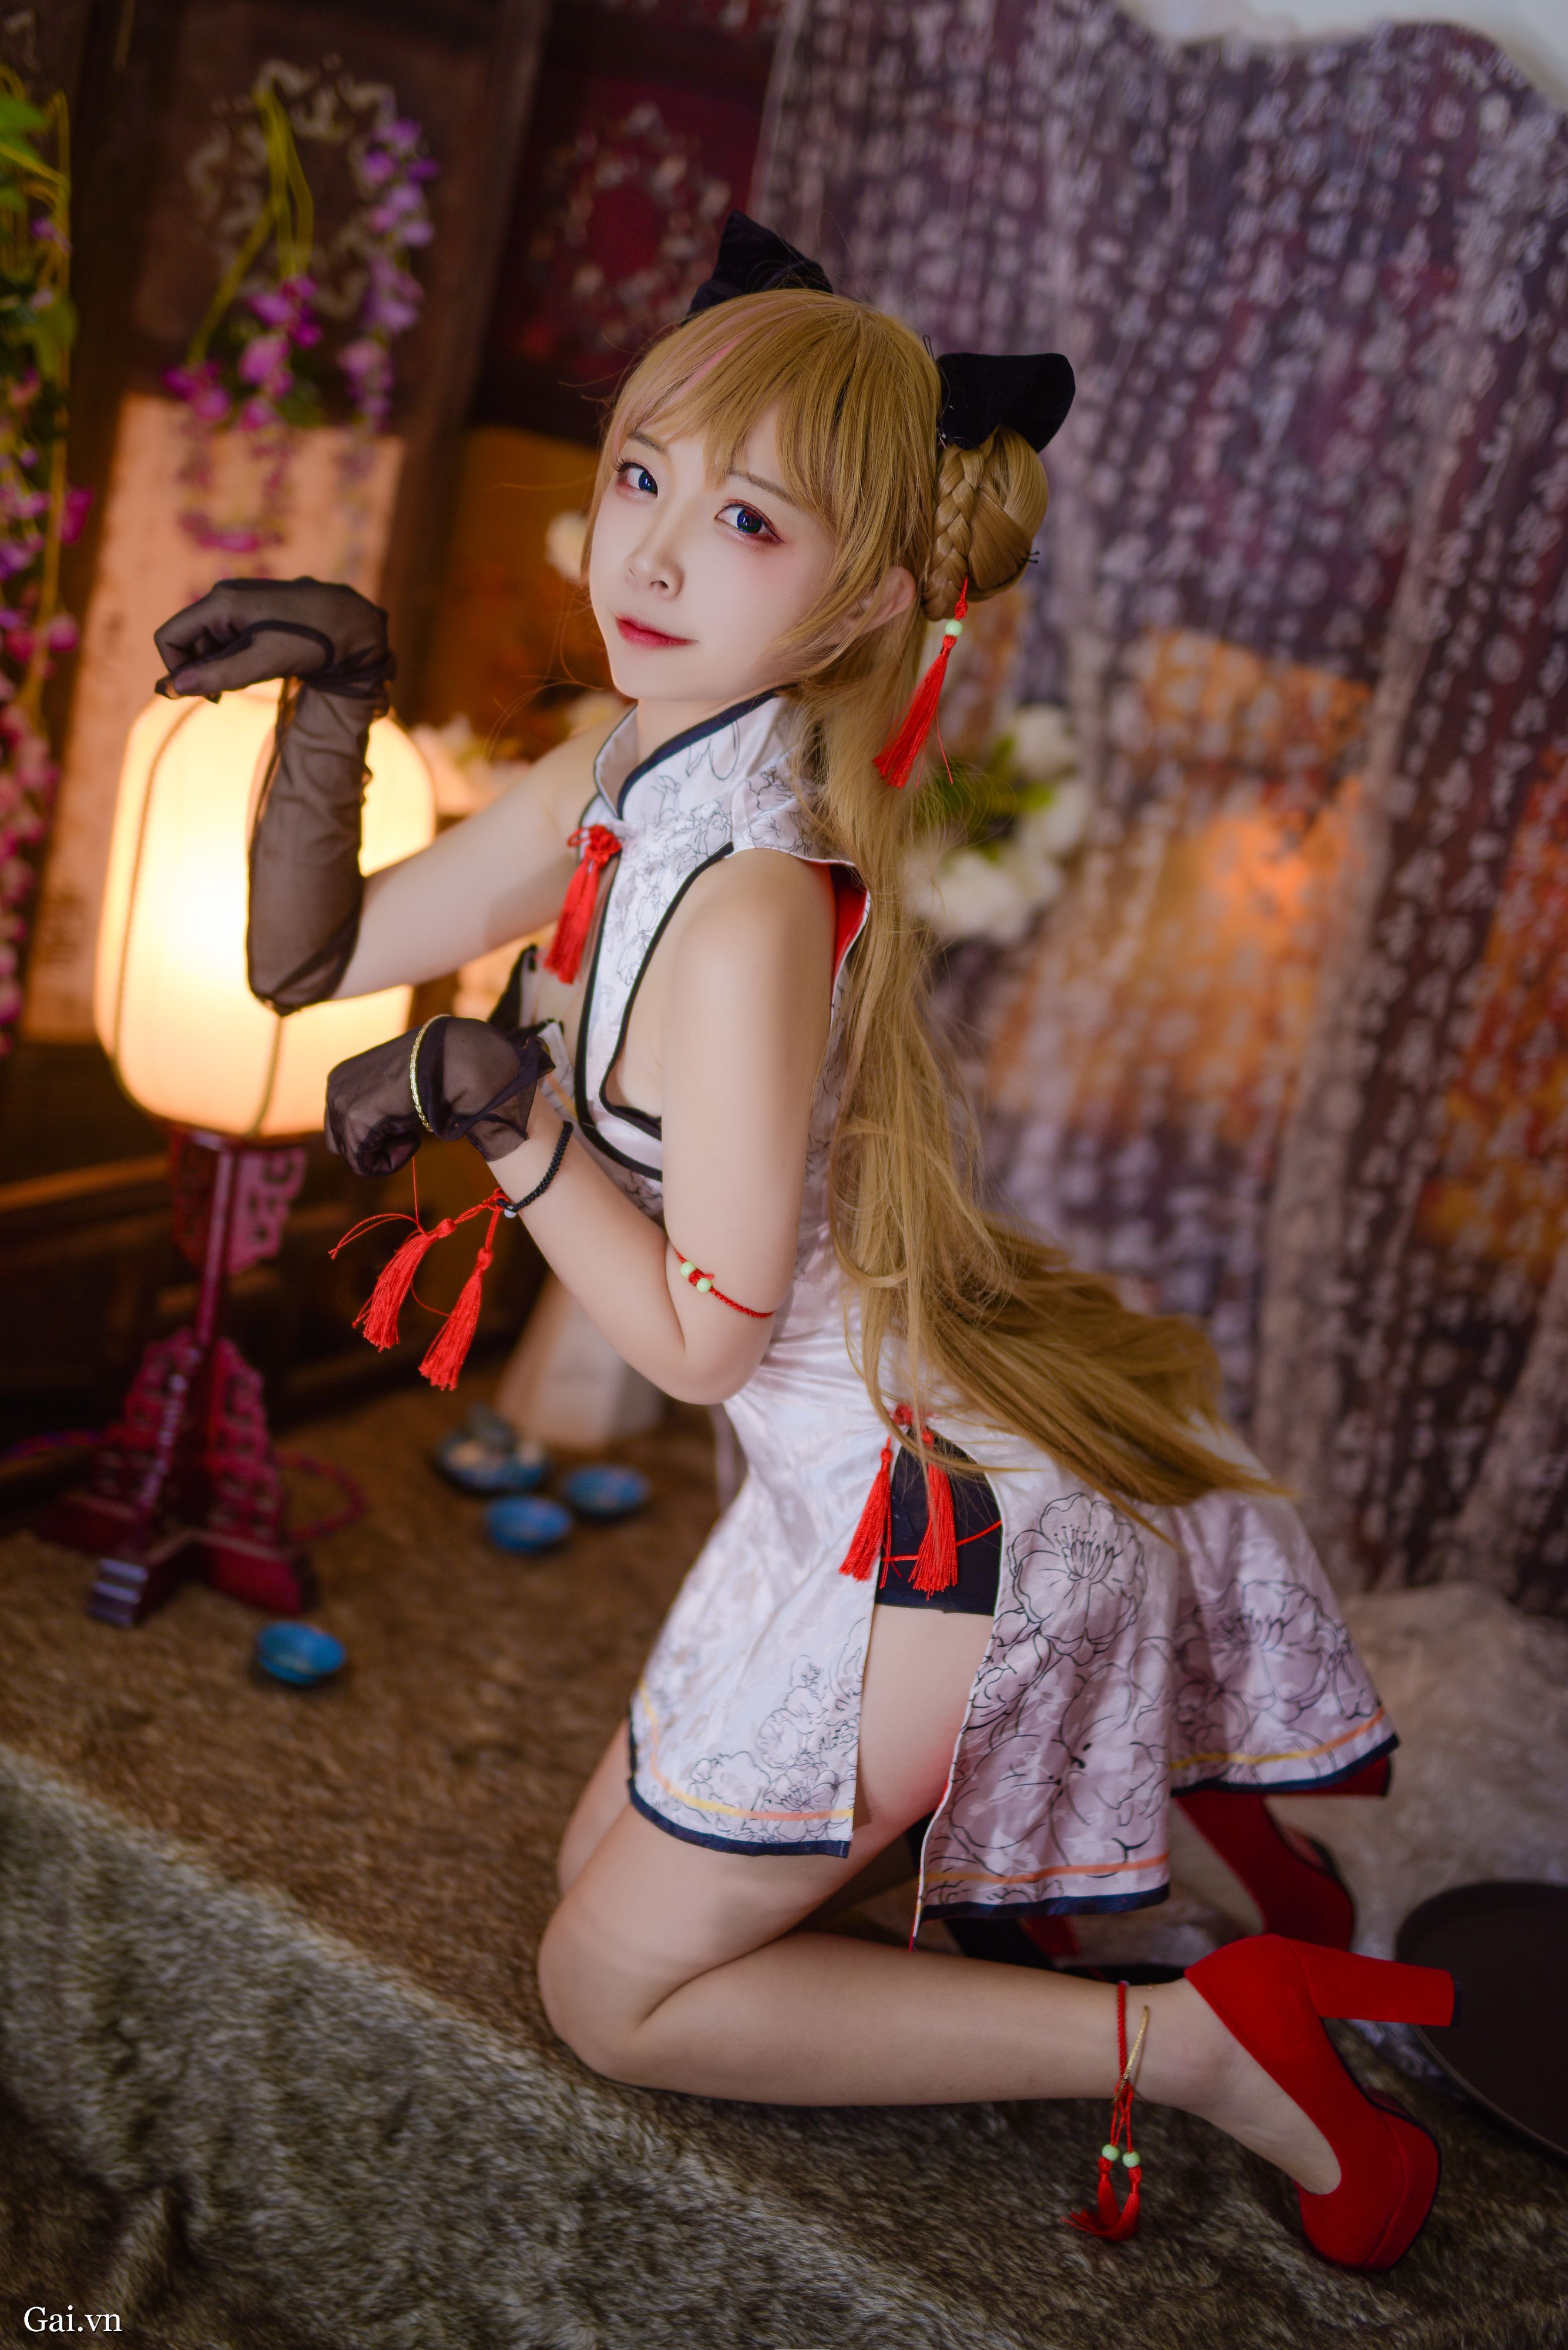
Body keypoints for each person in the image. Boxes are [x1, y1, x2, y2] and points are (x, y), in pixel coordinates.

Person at [152, 215, 1453, 2273]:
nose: (652, 555)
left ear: (864, 596)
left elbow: (692, 1339)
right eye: (642, 474)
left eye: (744, 520)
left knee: (610, 1990)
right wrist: (341, 691)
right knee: (604, 1893)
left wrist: (508, 1123)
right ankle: (1100, 1859)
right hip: (821, 1488)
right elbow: (312, 959)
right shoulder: (625, 760)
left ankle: (1202, 2040)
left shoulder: (754, 900)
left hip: (930, 1532)